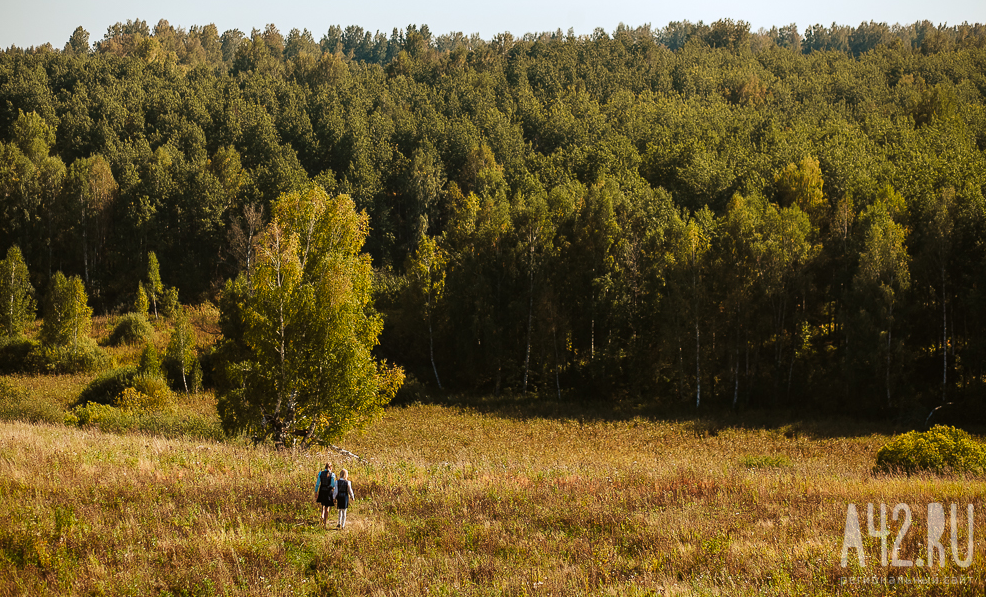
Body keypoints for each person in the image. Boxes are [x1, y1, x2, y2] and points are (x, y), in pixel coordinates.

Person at [315, 463, 336, 528]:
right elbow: (332, 485)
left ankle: (322, 515)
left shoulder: (321, 473)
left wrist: (316, 492)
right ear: (330, 468)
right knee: (327, 507)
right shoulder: (332, 474)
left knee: (323, 504)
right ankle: (325, 522)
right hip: (328, 491)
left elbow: (317, 484)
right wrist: (334, 488)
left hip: (322, 490)